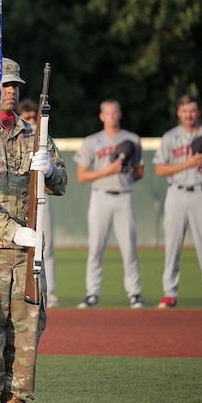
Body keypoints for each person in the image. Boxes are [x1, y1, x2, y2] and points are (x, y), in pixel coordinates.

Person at [0, 58, 67, 403]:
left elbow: (61, 183)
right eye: (4, 85)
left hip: (25, 257)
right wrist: (12, 230)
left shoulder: (35, 136)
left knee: (26, 335)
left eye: (15, 85)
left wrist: (49, 171)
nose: (10, 91)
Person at [74, 99, 145, 309]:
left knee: (129, 248)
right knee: (96, 248)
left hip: (124, 195)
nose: (112, 116)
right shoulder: (92, 141)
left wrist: (123, 175)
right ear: (101, 116)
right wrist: (108, 172)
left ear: (120, 114)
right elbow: (81, 175)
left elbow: (139, 171)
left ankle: (135, 293)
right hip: (100, 196)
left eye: (115, 112)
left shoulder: (132, 139)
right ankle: (92, 294)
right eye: (108, 113)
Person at [153, 94, 202, 308]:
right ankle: (170, 293)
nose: (189, 115)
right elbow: (159, 169)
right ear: (178, 113)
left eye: (192, 110)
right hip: (176, 192)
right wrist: (188, 163)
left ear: (199, 111)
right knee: (173, 245)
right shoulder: (170, 137)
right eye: (185, 111)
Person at [17, 98, 59, 307]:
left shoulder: (44, 139)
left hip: (41, 197)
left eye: (35, 117)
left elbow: (60, 181)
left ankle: (49, 292)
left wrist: (49, 169)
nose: (32, 121)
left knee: (46, 247)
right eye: (28, 118)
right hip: (16, 201)